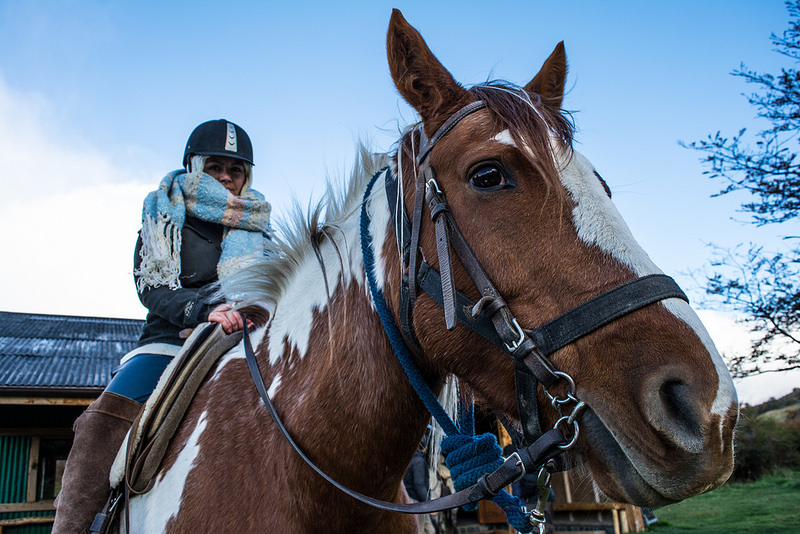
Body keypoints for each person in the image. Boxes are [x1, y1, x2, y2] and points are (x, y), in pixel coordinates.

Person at [52, 119, 272, 533]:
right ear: (195, 167)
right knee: (103, 418)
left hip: (244, 341)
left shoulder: (261, 229)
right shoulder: (165, 216)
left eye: (235, 169)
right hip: (170, 342)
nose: (226, 176)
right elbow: (151, 287)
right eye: (215, 167)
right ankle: (74, 526)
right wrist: (201, 312)